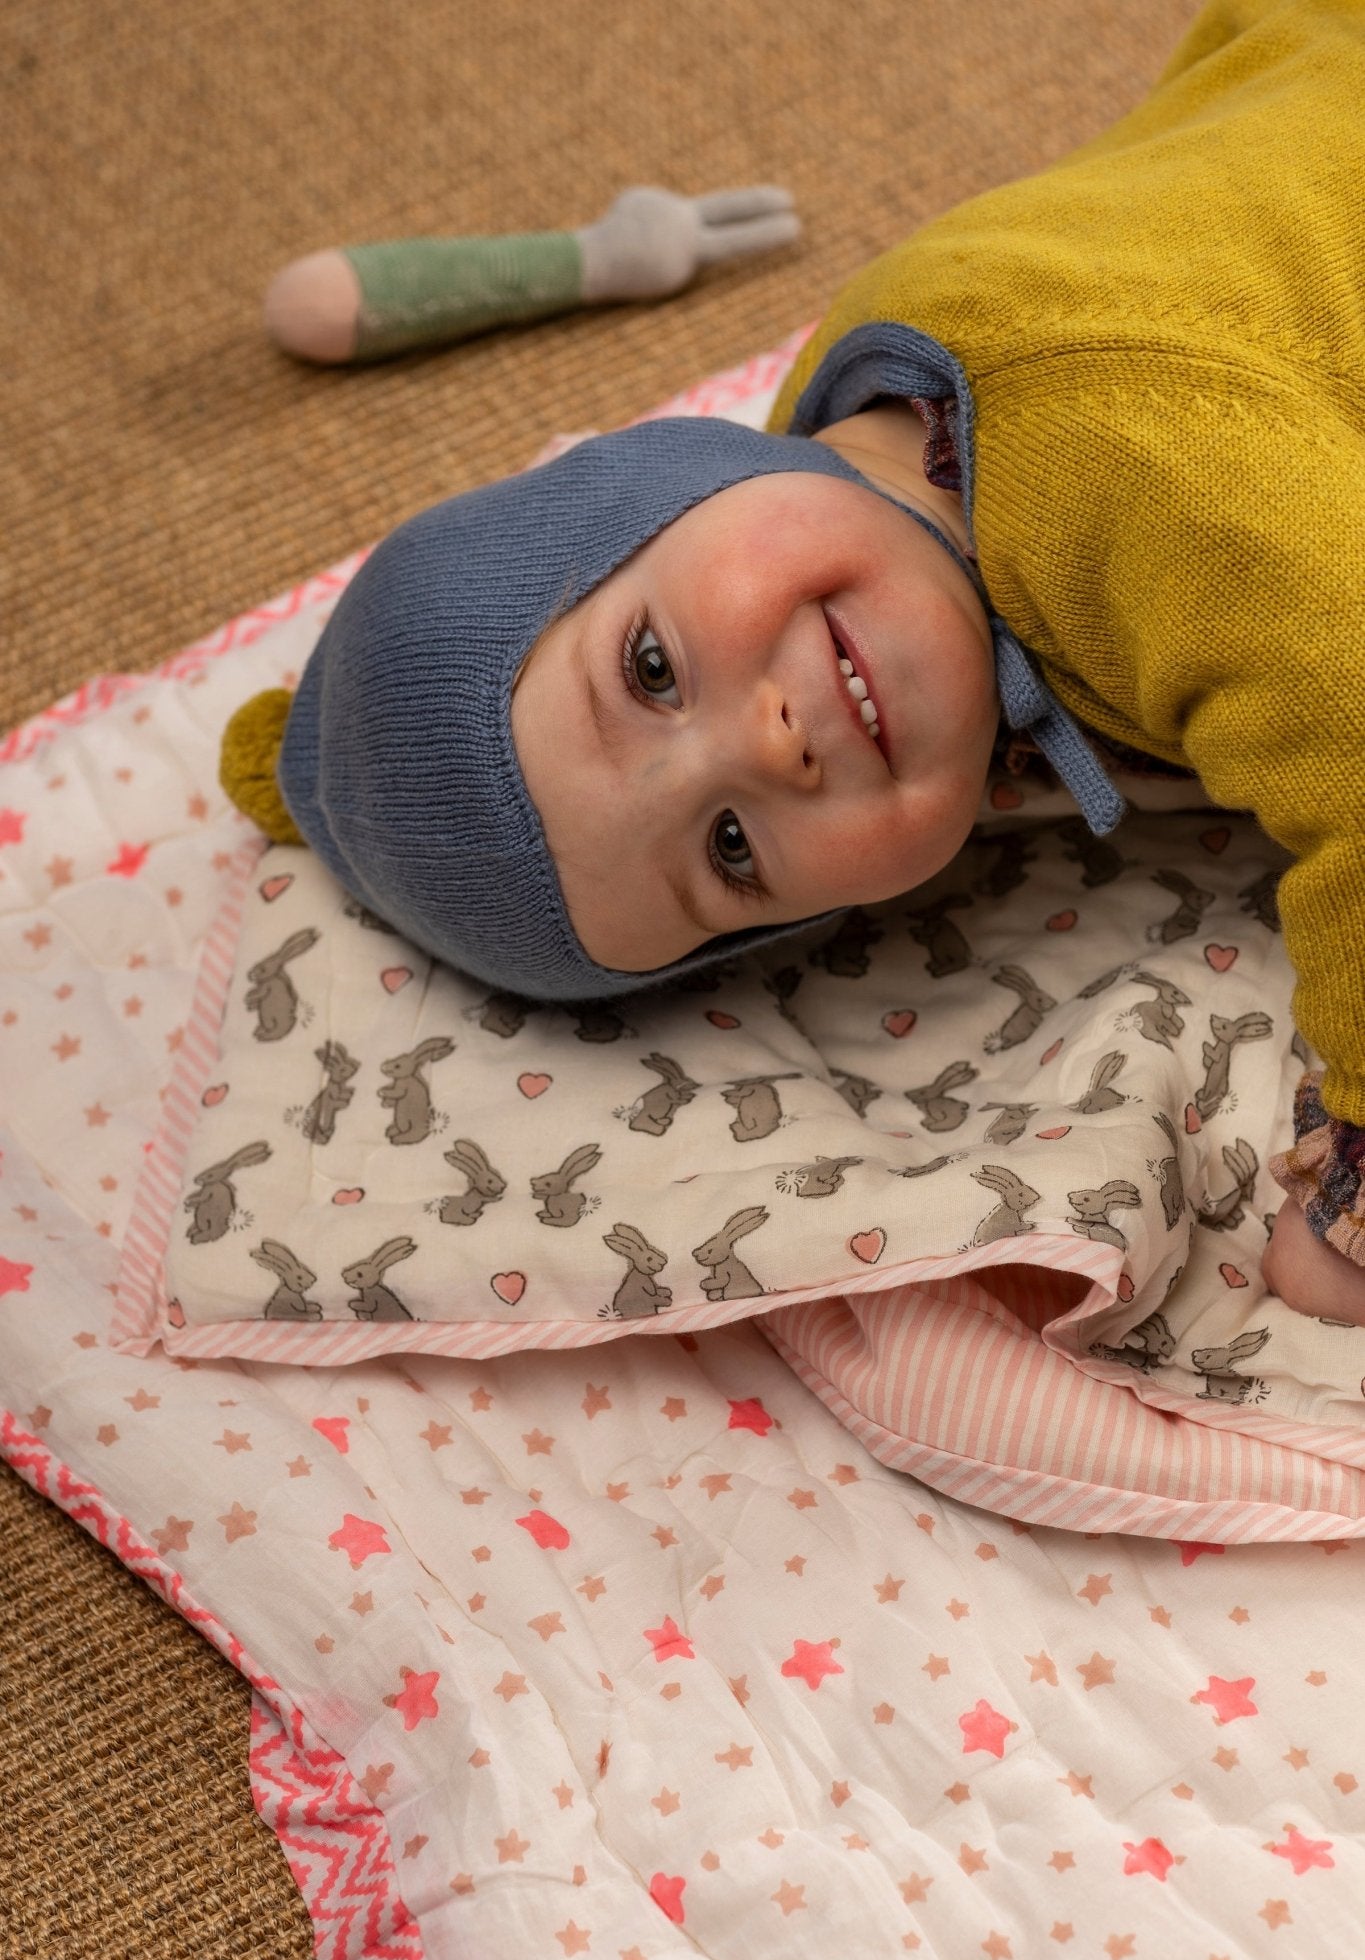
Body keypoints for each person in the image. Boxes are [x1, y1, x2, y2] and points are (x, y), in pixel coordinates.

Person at [220, 0, 1365, 1324]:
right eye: (729, 850)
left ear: (667, 478)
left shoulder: (1127, 477)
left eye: (652, 671)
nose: (769, 745)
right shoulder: (830, 470)